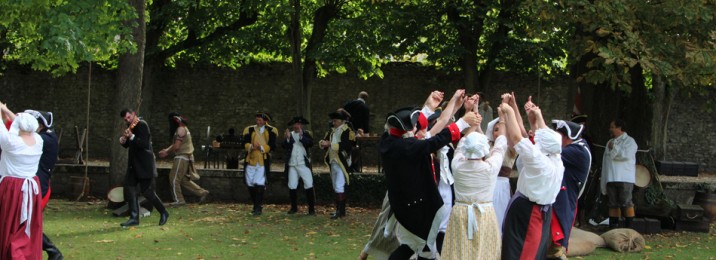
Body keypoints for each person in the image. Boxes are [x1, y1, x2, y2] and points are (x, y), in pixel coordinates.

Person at [381, 104, 478, 260]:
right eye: (414, 126)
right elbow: (434, 141)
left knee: (415, 247)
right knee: (423, 248)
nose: (418, 129)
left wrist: (432, 109)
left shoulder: (387, 141)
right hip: (416, 208)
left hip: (404, 206)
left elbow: (423, 134)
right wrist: (461, 123)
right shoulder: (407, 146)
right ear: (408, 129)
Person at [499, 94, 564, 260]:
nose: (535, 136)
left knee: (522, 251)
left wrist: (508, 112)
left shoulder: (538, 160)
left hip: (528, 210)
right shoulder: (556, 158)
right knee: (532, 251)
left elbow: (516, 136)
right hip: (540, 209)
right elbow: (530, 132)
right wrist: (536, 116)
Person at [442, 117, 507, 260]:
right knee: (485, 251)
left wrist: (472, 124)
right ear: (484, 150)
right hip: (484, 213)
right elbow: (500, 145)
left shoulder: (457, 165)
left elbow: (461, 144)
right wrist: (502, 119)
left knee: (458, 251)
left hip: (460, 212)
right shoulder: (490, 168)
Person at [0, 106, 44, 259]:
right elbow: (23, 124)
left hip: (12, 188)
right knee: (27, 226)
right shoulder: (38, 140)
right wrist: (5, 110)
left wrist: (1, 110)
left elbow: (6, 129)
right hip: (31, 189)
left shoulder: (10, 142)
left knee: (9, 225)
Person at [548, 120, 592, 258]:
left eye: (558, 135)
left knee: (557, 246)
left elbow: (546, 151)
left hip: (564, 201)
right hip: (560, 199)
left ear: (567, 137)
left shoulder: (577, 151)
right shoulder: (576, 148)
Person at [118, 108, 169, 227]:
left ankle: (163, 212)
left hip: (144, 165)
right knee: (130, 189)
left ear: (133, 114)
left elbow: (144, 144)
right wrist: (123, 141)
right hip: (133, 165)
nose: (127, 120)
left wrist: (132, 137)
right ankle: (134, 218)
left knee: (147, 192)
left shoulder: (142, 125)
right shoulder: (130, 128)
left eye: (129, 117)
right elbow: (130, 145)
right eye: (125, 119)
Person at [24, 109, 63, 260]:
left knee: (29, 223)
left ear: (39, 124)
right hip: (35, 186)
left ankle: (53, 251)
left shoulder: (46, 139)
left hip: (40, 188)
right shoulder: (43, 137)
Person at [158, 112, 210, 206]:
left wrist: (167, 152)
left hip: (182, 157)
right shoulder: (183, 128)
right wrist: (166, 150)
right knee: (183, 180)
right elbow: (176, 144)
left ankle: (179, 200)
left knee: (173, 179)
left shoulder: (181, 129)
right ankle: (202, 192)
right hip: (186, 157)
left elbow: (177, 146)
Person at [600, 119, 638, 229]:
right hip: (611, 177)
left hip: (625, 177)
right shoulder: (609, 142)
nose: (610, 129)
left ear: (619, 128)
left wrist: (614, 148)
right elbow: (606, 161)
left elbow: (625, 155)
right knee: (612, 203)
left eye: (612, 127)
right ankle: (613, 228)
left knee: (626, 202)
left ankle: (629, 229)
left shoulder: (630, 141)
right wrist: (605, 178)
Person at [319, 109, 355, 219]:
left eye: (335, 120)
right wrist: (323, 143)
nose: (333, 122)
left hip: (341, 161)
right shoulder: (332, 131)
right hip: (332, 160)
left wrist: (331, 144)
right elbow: (324, 140)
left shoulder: (347, 131)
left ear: (342, 121)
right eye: (333, 121)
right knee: (336, 186)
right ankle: (339, 210)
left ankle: (340, 211)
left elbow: (347, 145)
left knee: (339, 185)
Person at [242, 112, 278, 216]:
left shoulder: (271, 131)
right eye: (257, 120)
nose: (258, 122)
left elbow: (272, 145)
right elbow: (244, 143)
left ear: (265, 121)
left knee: (260, 183)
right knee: (250, 183)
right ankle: (256, 204)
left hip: (262, 159)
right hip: (251, 159)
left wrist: (261, 147)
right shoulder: (249, 130)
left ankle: (258, 207)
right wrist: (251, 146)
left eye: (260, 120)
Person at [282, 116, 316, 215]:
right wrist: (288, 138)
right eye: (296, 124)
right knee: (292, 185)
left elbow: (310, 144)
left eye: (299, 124)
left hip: (303, 164)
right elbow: (284, 146)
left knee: (309, 184)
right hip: (292, 164)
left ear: (301, 125)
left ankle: (311, 209)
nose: (297, 126)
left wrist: (301, 137)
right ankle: (294, 208)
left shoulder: (306, 134)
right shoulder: (289, 135)